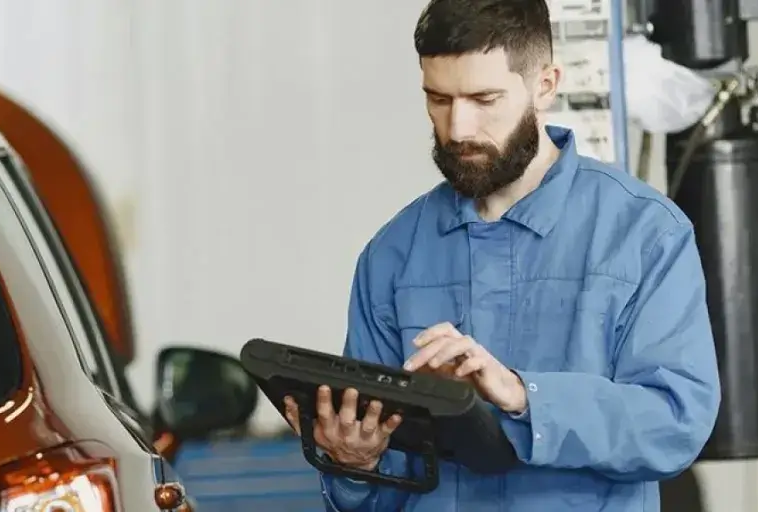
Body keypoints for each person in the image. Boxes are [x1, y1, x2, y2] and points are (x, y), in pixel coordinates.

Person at [281, 0, 722, 510]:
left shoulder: (645, 234)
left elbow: (675, 424)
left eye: (483, 98)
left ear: (546, 84)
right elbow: (384, 490)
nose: (459, 127)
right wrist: (354, 465)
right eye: (439, 99)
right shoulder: (392, 256)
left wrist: (523, 395)